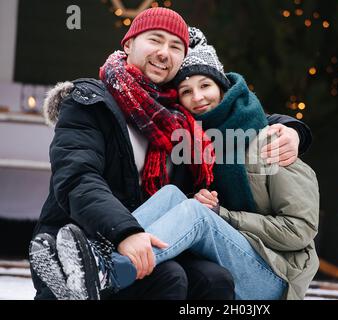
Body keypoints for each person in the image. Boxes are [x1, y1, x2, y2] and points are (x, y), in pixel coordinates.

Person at [29, 8, 312, 300]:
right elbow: (77, 178)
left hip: (254, 268)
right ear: (128, 45)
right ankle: (91, 267)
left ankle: (105, 269)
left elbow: (238, 113)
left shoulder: (181, 118)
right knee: (175, 261)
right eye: (155, 40)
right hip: (85, 235)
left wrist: (293, 128)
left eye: (176, 46)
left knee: (211, 275)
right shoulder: (92, 102)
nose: (165, 53)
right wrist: (124, 233)